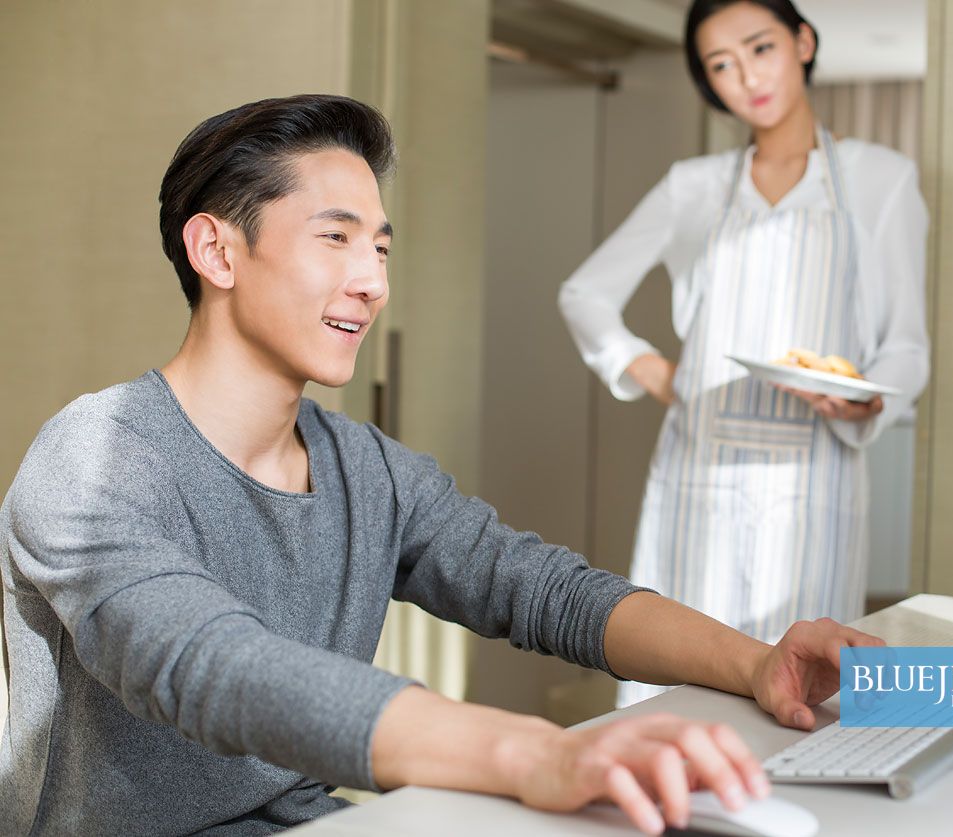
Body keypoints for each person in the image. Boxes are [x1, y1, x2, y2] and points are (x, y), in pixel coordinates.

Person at [0, 94, 884, 836]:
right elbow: (207, 663)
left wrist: (757, 662)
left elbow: (541, 589)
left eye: (379, 248)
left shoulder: (364, 467)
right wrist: (538, 750)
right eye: (335, 239)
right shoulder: (98, 456)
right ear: (216, 250)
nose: (372, 281)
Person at [558, 0, 929, 707]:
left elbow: (906, 343)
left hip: (812, 486)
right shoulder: (692, 187)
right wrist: (653, 372)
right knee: (673, 686)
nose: (745, 78)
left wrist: (869, 397)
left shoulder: (879, 179)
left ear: (802, 41)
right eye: (719, 65)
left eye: (759, 49)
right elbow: (585, 293)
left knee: (805, 692)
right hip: (699, 480)